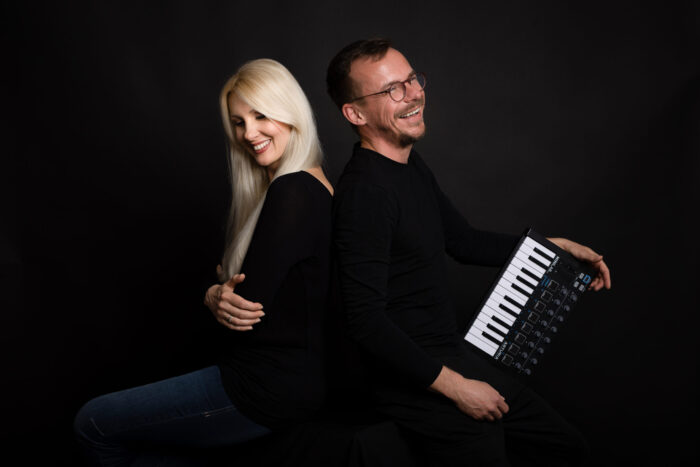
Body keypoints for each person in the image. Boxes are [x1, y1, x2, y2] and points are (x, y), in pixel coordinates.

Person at [325, 38, 612, 466]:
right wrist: (457, 388)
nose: (414, 94)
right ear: (355, 114)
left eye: (412, 79)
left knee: (564, 448)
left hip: (449, 353)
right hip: (409, 377)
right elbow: (364, 322)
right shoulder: (365, 193)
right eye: (392, 90)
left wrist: (552, 247)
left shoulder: (408, 165)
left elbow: (462, 241)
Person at [74, 58, 334, 466]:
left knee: (93, 424)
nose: (248, 133)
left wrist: (217, 291)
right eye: (238, 122)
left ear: (290, 113)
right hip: (278, 380)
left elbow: (242, 309)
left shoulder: (293, 191)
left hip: (265, 386)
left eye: (261, 116)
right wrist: (215, 291)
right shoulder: (311, 187)